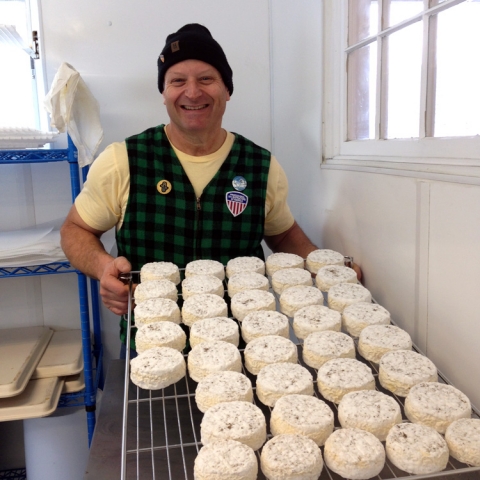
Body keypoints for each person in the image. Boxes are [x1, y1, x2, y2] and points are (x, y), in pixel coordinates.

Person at [60, 23, 360, 345]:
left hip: (243, 341)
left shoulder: (261, 166)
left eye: (206, 79)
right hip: (152, 341)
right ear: (164, 94)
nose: (192, 92)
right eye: (177, 81)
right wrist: (104, 267)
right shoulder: (123, 160)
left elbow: (283, 234)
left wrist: (325, 267)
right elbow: (75, 230)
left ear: (227, 90)